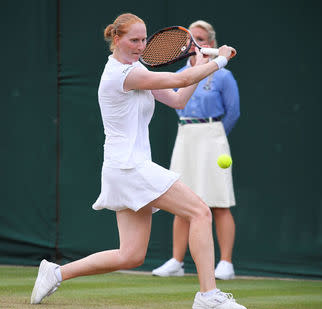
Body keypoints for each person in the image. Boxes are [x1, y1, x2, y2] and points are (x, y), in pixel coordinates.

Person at [30, 13, 246, 309]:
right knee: (200, 212)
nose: (141, 46)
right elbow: (180, 77)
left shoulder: (137, 69)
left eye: (144, 39)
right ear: (116, 39)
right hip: (129, 167)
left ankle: (55, 272)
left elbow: (179, 98)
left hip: (125, 167)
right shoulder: (123, 75)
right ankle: (208, 296)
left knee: (131, 255)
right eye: (134, 40)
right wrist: (218, 60)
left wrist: (200, 66)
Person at [152, 20, 240, 281]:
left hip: (213, 136)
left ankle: (226, 263)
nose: (196, 43)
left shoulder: (223, 75)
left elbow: (233, 112)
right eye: (192, 38)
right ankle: (177, 262)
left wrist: (215, 137)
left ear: (211, 44)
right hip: (185, 135)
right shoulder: (179, 73)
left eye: (201, 38)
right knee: (181, 202)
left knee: (219, 202)